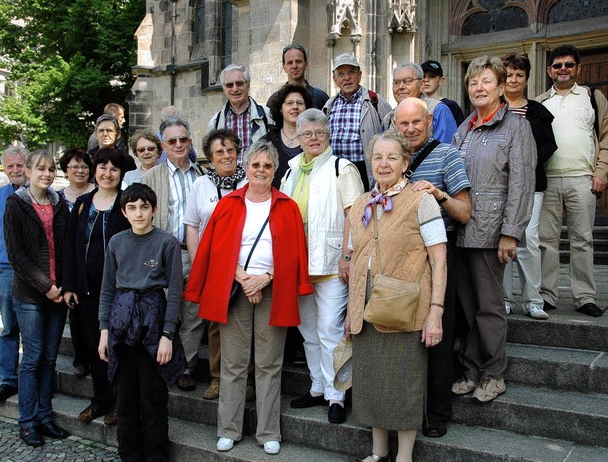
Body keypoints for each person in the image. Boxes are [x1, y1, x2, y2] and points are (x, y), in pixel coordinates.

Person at [185, 140, 312, 456]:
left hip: (273, 288)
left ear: (274, 170)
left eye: (267, 166)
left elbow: (294, 254)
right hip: (236, 288)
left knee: (269, 363)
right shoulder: (228, 203)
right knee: (234, 362)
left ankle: (268, 431)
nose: (261, 170)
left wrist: (264, 278)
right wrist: (243, 278)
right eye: (255, 165)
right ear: (247, 168)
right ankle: (228, 428)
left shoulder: (287, 206)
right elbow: (215, 249)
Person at [346, 130, 447, 462]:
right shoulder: (360, 203)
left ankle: (403, 456)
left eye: (392, 157)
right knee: (373, 384)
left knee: (403, 385)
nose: (383, 163)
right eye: (377, 157)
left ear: (406, 163)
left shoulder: (422, 200)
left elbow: (439, 259)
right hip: (366, 305)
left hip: (406, 308)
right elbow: (354, 258)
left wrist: (436, 312)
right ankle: (378, 452)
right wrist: (350, 313)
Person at [451, 56, 536, 403]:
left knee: (489, 306)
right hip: (460, 229)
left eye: (486, 81)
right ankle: (471, 370)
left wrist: (511, 232)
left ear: (502, 87)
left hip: (490, 231)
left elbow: (522, 182)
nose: (479, 88)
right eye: (473, 82)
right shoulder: (464, 128)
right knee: (468, 308)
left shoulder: (516, 128)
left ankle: (494, 373)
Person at [280, 108, 365, 424]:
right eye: (306, 134)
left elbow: (355, 214)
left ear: (328, 135)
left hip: (330, 263)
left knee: (329, 330)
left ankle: (337, 395)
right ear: (298, 138)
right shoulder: (290, 172)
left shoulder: (342, 168)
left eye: (318, 132)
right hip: (299, 265)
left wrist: (348, 255)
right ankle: (317, 386)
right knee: (308, 332)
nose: (312, 138)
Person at [393, 97, 471, 438]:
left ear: (429, 120)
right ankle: (404, 406)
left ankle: (438, 412)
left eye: (416, 122)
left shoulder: (447, 155)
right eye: (403, 123)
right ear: (395, 125)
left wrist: (438, 193)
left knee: (438, 330)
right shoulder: (391, 157)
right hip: (401, 256)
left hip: (438, 252)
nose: (410, 129)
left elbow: (465, 212)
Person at [98, 183, 186, 462]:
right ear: (124, 212)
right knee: (125, 398)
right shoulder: (117, 242)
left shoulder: (166, 242)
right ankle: (130, 456)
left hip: (153, 324)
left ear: (154, 210)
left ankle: (156, 455)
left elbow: (174, 292)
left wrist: (167, 335)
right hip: (122, 325)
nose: (139, 213)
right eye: (132, 208)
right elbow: (107, 289)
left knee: (153, 397)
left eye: (144, 207)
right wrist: (104, 331)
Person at [537, 44, 608, 317]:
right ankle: (546, 295)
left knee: (582, 239)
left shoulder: (593, 97)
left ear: (578, 68)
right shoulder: (539, 102)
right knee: (545, 240)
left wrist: (602, 172)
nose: (563, 70)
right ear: (549, 71)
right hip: (547, 181)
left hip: (582, 179)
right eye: (558, 65)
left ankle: (584, 297)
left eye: (569, 65)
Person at [3, 149, 70, 447]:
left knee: (49, 358)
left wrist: (64, 287)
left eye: (51, 168)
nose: (46, 173)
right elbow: (17, 256)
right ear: (28, 172)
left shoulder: (60, 204)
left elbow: (67, 248)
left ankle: (45, 416)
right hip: (31, 294)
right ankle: (27, 421)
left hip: (58, 296)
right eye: (40, 168)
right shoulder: (15, 204)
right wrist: (47, 286)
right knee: (31, 359)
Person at [62, 148, 134, 426]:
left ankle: (121, 402)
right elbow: (70, 245)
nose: (107, 173)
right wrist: (69, 284)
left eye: (113, 169)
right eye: (102, 167)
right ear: (95, 170)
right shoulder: (82, 204)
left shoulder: (126, 203)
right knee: (95, 347)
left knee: (121, 347)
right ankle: (100, 399)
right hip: (87, 289)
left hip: (120, 289)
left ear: (120, 174)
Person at [183, 129, 249, 401]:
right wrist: (200, 263)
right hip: (213, 266)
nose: (225, 155)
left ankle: (248, 380)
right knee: (215, 325)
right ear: (209, 157)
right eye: (219, 151)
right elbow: (192, 226)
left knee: (246, 326)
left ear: (238, 152)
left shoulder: (249, 180)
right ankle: (218, 378)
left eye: (230, 150)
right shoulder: (201, 185)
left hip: (246, 265)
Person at [142, 116, 205, 392]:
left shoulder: (203, 175)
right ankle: (160, 363)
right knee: (161, 310)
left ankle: (185, 367)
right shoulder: (150, 177)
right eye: (172, 141)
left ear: (190, 142)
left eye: (183, 139)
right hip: (162, 255)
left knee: (193, 313)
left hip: (195, 254)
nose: (178, 144)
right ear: (163, 146)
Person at [501, 52, 558, 320]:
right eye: (509, 74)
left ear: (526, 79)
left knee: (529, 239)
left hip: (532, 184)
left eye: (519, 75)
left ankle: (534, 300)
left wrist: (526, 163)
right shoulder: (493, 108)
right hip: (499, 186)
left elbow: (549, 144)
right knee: (500, 239)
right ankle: (503, 298)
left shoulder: (537, 111)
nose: (513, 80)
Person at [0, 146, 28, 403]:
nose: (15, 170)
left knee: (35, 332)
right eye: (9, 166)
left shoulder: (41, 195)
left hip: (35, 273)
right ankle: (8, 380)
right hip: (6, 272)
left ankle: (34, 380)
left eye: (19, 165)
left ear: (28, 165)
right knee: (9, 329)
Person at [323, 53, 392, 191]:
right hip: (335, 170)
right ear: (335, 79)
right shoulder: (329, 105)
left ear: (359, 75)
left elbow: (391, 138)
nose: (347, 78)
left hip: (365, 171)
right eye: (341, 74)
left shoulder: (376, 102)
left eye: (351, 72)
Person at [57, 148, 96, 379]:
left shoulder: (97, 193)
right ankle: (80, 358)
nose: (80, 171)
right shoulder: (58, 198)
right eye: (74, 167)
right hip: (66, 260)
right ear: (66, 171)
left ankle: (95, 357)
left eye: (84, 167)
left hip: (90, 261)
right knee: (76, 314)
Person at [208, 64, 274, 157]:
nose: (235, 89)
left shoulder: (267, 115)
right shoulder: (215, 122)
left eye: (239, 83)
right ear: (224, 89)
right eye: (229, 85)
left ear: (248, 84)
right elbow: (212, 156)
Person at [384, 63, 457, 144]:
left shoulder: (438, 110)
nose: (401, 87)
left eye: (408, 81)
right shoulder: (388, 118)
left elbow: (445, 150)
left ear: (421, 84)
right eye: (396, 82)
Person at [264, 84, 313, 188]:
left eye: (300, 103)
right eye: (289, 103)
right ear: (281, 109)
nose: (295, 107)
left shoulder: (315, 140)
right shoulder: (267, 141)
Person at [267, 44, 329, 110]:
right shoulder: (274, 100)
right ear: (284, 67)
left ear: (306, 65)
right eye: (290, 63)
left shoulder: (321, 97)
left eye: (298, 61)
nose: (294, 66)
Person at [421, 60, 465, 127]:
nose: (426, 80)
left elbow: (460, 133)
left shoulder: (451, 106)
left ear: (441, 81)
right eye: (423, 76)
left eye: (432, 76)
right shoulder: (414, 105)